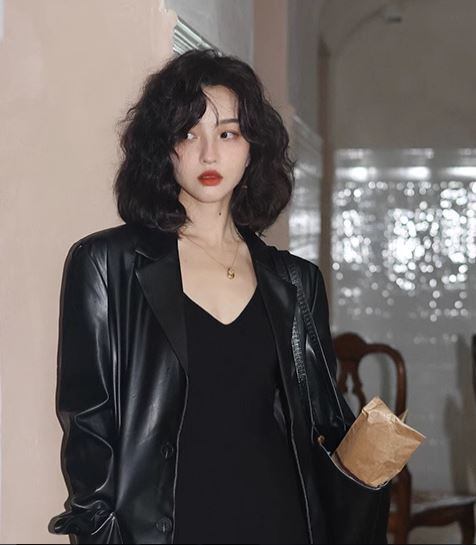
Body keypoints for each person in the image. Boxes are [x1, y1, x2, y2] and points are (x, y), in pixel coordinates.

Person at [48, 48, 390, 544]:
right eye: (189, 133)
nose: (209, 154)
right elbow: (87, 430)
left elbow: (323, 426)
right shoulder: (105, 265)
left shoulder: (296, 282)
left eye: (228, 133)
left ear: (253, 148)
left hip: (281, 526)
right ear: (163, 147)